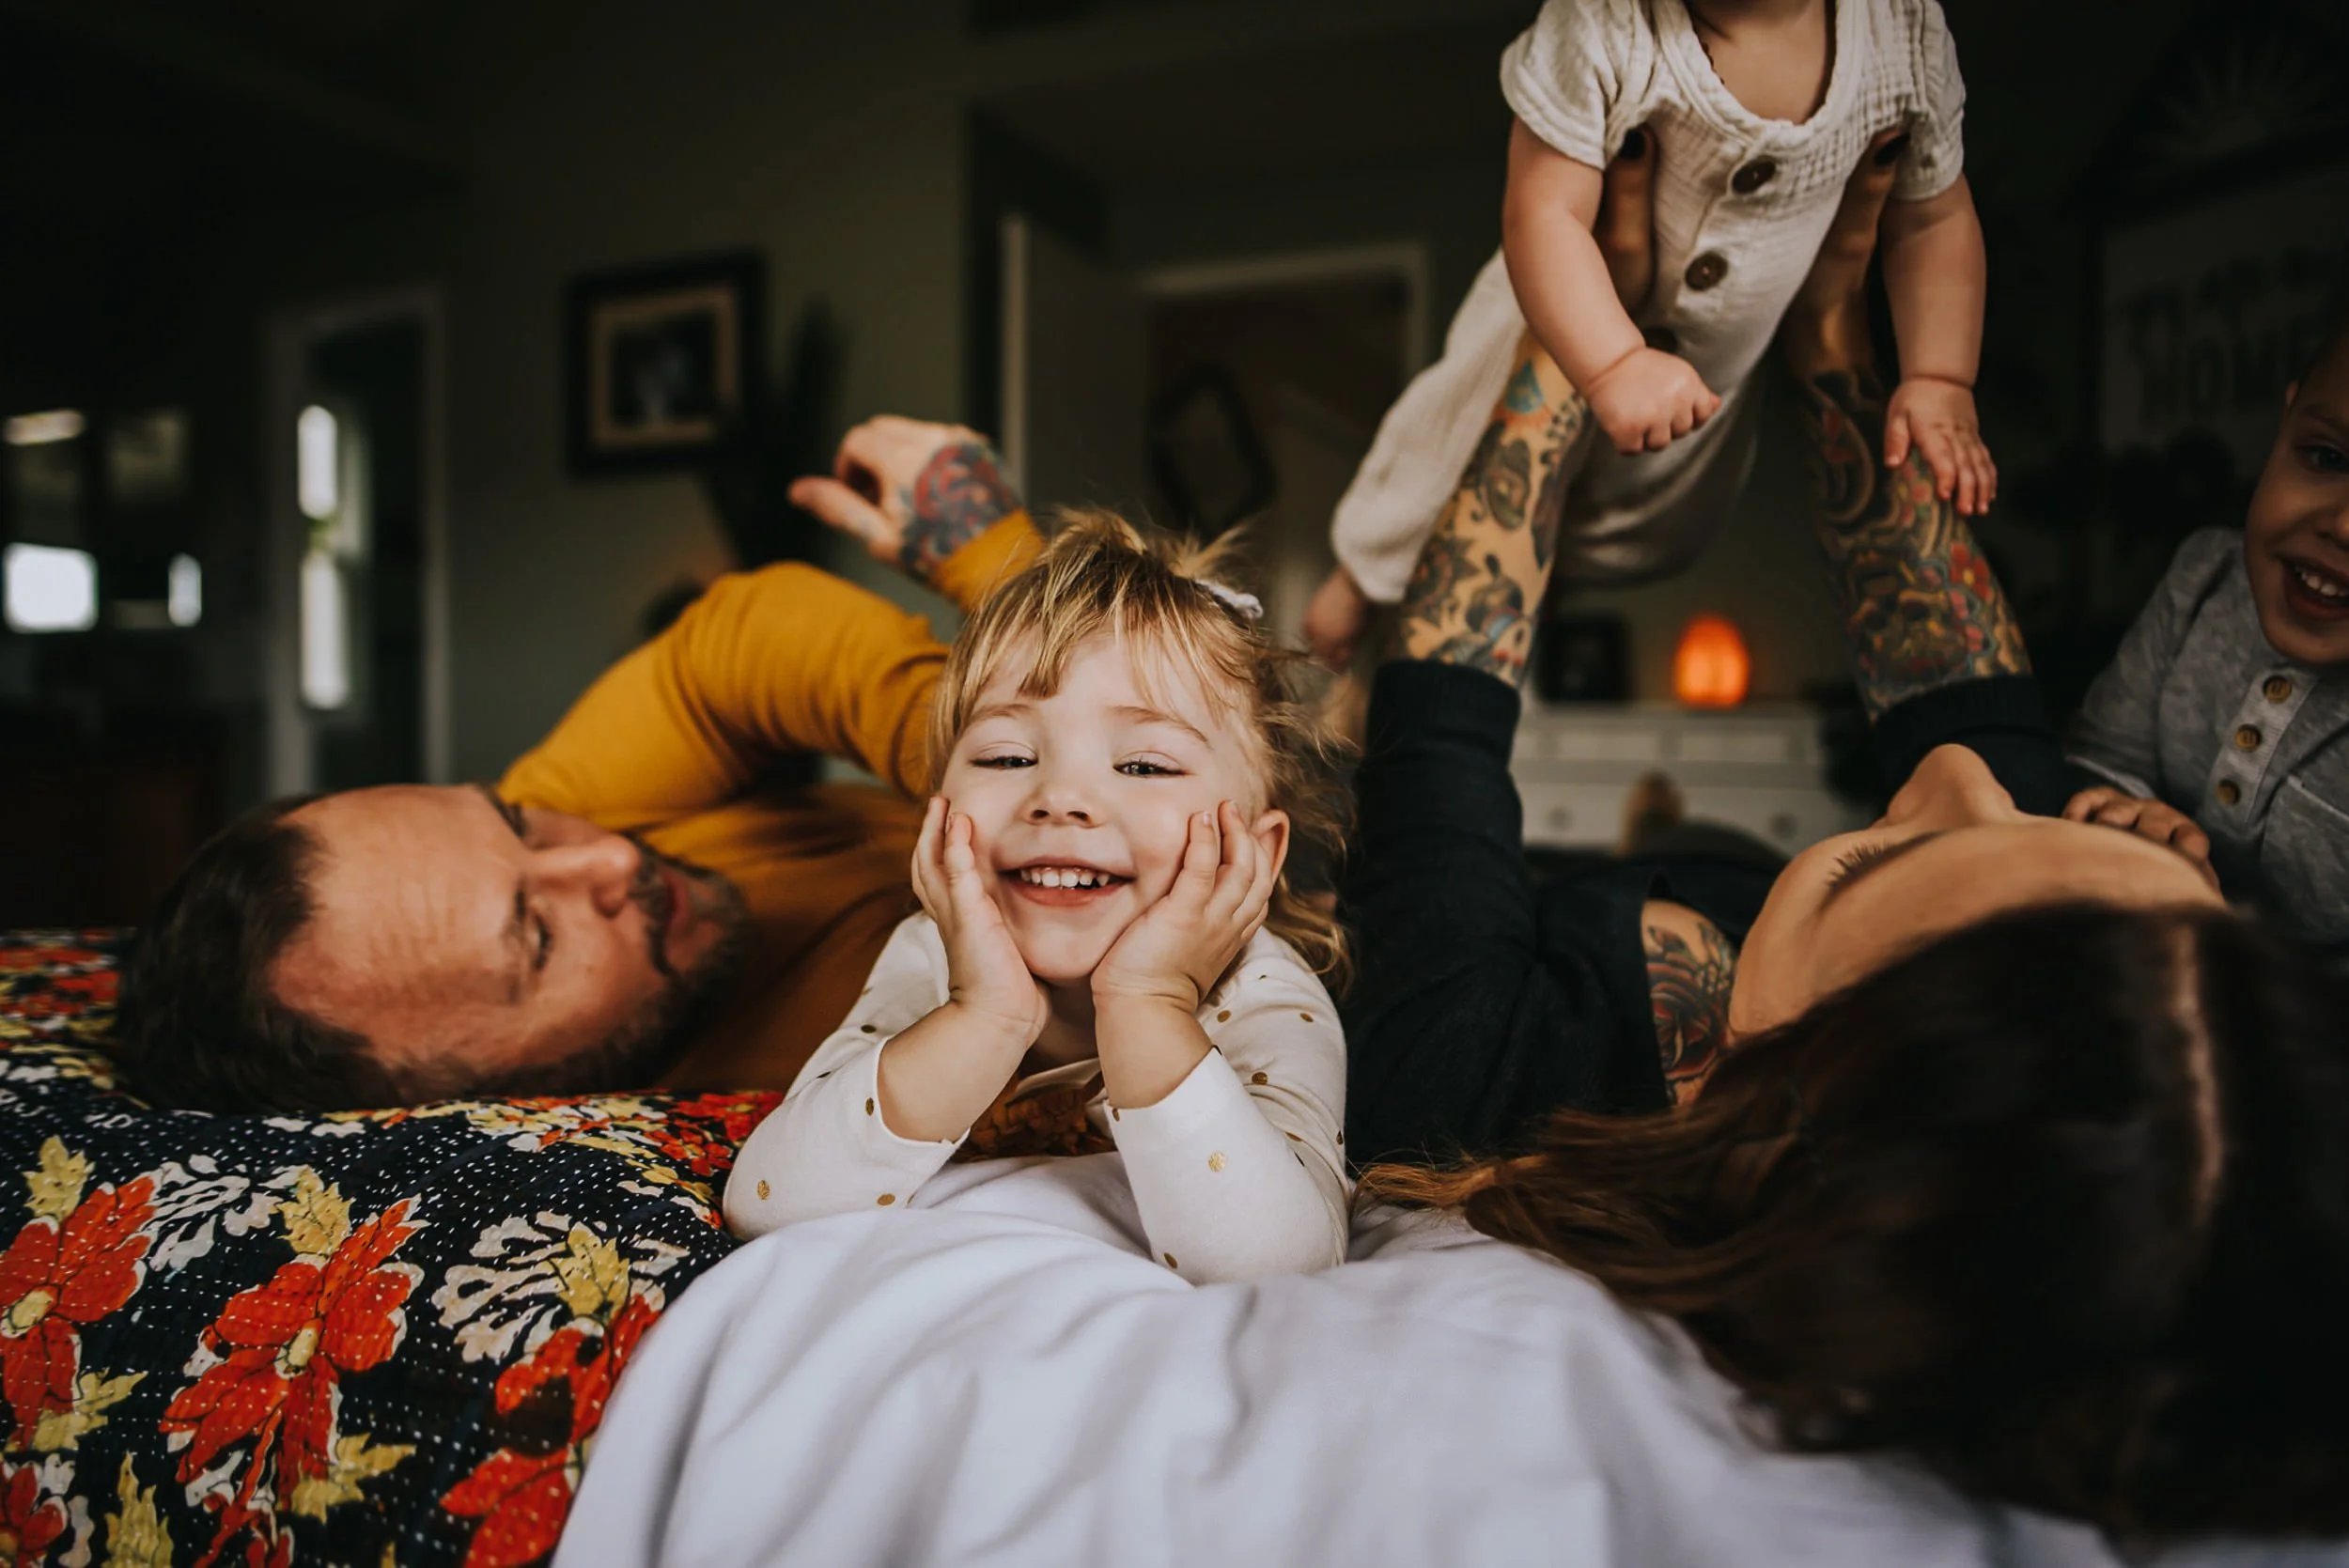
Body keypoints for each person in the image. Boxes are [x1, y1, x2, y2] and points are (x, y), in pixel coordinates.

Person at [1342, 132, 2349, 1538]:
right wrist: (1833, 346)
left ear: (1818, 1107)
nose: (1949, 771)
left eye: (1903, 854)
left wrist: (1578, 349)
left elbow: (1441, 713)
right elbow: (1953, 682)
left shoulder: (1468, 1085)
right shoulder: (2091, 1015)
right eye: (2131, 836)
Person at [113, 427, 1048, 1111]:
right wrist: (1029, 641)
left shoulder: (558, 829)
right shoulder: (829, 1100)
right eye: (537, 939)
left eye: (515, 825)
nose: (607, 862)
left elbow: (745, 637)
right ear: (462, 1103)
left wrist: (1007, 753)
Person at [726, 516, 1351, 1283]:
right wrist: (983, 1015)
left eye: (1146, 765)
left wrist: (1149, 1001)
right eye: (1007, 755)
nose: (1059, 796)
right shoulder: (934, 955)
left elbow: (1277, 1261)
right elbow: (768, 1202)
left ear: (1255, 850)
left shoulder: (1266, 992)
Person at [1304, 0, 1995, 668]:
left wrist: (1939, 375)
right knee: (1455, 460)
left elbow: (1931, 220)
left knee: (1658, 518)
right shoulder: (1603, 25)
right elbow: (1544, 216)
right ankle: (1360, 580)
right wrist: (1611, 363)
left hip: (1709, 373)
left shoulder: (1904, 31)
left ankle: (1543, 584)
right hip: (1564, 317)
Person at [2062, 312, 2349, 960]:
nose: (2343, 524)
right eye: (2328, 458)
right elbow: (2098, 760)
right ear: (2288, 420)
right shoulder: (2203, 581)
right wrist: (2130, 821)